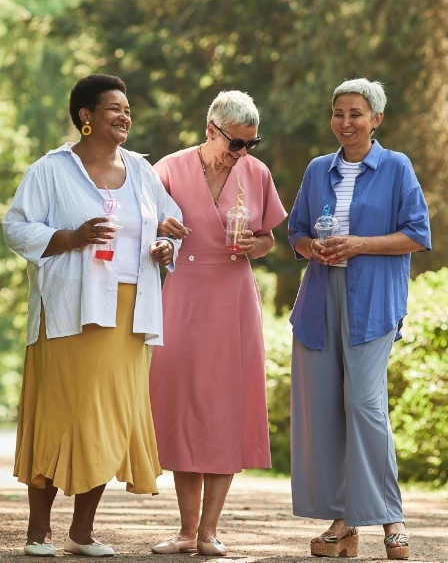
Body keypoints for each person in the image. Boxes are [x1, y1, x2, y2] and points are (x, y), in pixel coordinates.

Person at [2, 74, 183, 557]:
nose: (125, 116)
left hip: (129, 314)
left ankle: (82, 532)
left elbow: (171, 224)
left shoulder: (142, 172)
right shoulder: (52, 170)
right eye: (113, 109)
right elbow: (17, 228)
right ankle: (38, 532)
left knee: (108, 420)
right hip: (69, 312)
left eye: (127, 109)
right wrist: (72, 238)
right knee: (61, 414)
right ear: (85, 116)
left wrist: (167, 245)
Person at [286, 79, 431, 560]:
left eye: (356, 114)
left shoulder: (395, 167)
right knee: (325, 408)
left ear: (376, 120)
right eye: (338, 113)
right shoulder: (316, 170)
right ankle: (343, 524)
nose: (345, 122)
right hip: (320, 298)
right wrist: (316, 250)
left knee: (365, 406)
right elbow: (298, 234)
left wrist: (359, 244)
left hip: (373, 301)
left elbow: (417, 234)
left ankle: (392, 518)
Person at [147, 90, 287, 556]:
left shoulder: (257, 173)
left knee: (227, 408)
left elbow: (270, 239)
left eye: (251, 143)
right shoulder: (167, 168)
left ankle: (209, 532)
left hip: (233, 297)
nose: (242, 152)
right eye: (236, 143)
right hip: (182, 293)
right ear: (211, 130)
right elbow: (143, 227)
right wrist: (162, 235)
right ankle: (186, 531)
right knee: (184, 407)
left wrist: (256, 246)